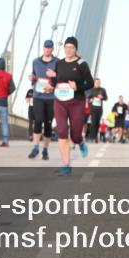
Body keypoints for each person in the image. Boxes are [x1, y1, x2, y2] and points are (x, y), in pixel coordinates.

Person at [51, 36, 94, 175]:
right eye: (66, 47)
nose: (68, 50)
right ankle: (66, 165)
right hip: (60, 102)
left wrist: (78, 86)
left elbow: (90, 83)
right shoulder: (59, 63)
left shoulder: (82, 64)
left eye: (71, 47)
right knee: (62, 132)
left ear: (76, 49)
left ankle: (80, 142)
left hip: (77, 102)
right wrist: (50, 84)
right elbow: (55, 81)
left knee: (75, 135)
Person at [28, 40, 58, 160]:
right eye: (45, 48)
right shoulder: (35, 61)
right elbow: (34, 78)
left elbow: (61, 79)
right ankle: (35, 147)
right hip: (38, 96)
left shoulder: (57, 62)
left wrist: (55, 76)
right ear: (43, 48)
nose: (47, 50)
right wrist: (33, 78)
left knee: (48, 124)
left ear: (52, 49)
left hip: (51, 97)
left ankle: (45, 149)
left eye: (49, 48)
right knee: (38, 120)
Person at [87, 78, 109, 143]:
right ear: (94, 83)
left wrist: (102, 97)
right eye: (96, 83)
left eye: (99, 83)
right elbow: (88, 98)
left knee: (97, 123)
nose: (97, 84)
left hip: (99, 109)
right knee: (93, 122)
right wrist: (90, 100)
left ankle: (95, 137)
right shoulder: (91, 90)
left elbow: (106, 98)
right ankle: (91, 137)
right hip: (93, 108)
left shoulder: (102, 90)